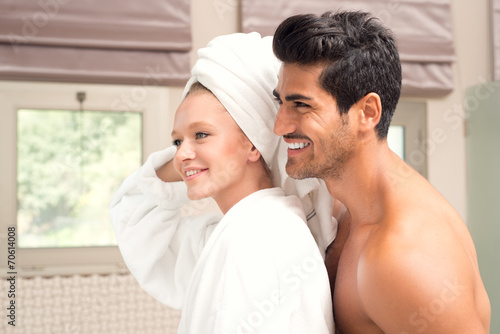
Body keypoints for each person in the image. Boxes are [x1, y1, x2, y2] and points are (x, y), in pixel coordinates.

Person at [271, 10, 491, 334]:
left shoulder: (403, 254)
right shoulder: (344, 209)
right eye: (281, 103)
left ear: (367, 113)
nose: (280, 126)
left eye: (302, 105)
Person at [110, 32, 334, 334]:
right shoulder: (240, 228)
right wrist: (198, 155)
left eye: (201, 134)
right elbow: (136, 214)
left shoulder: (257, 239)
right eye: (177, 141)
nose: (181, 155)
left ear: (254, 144)